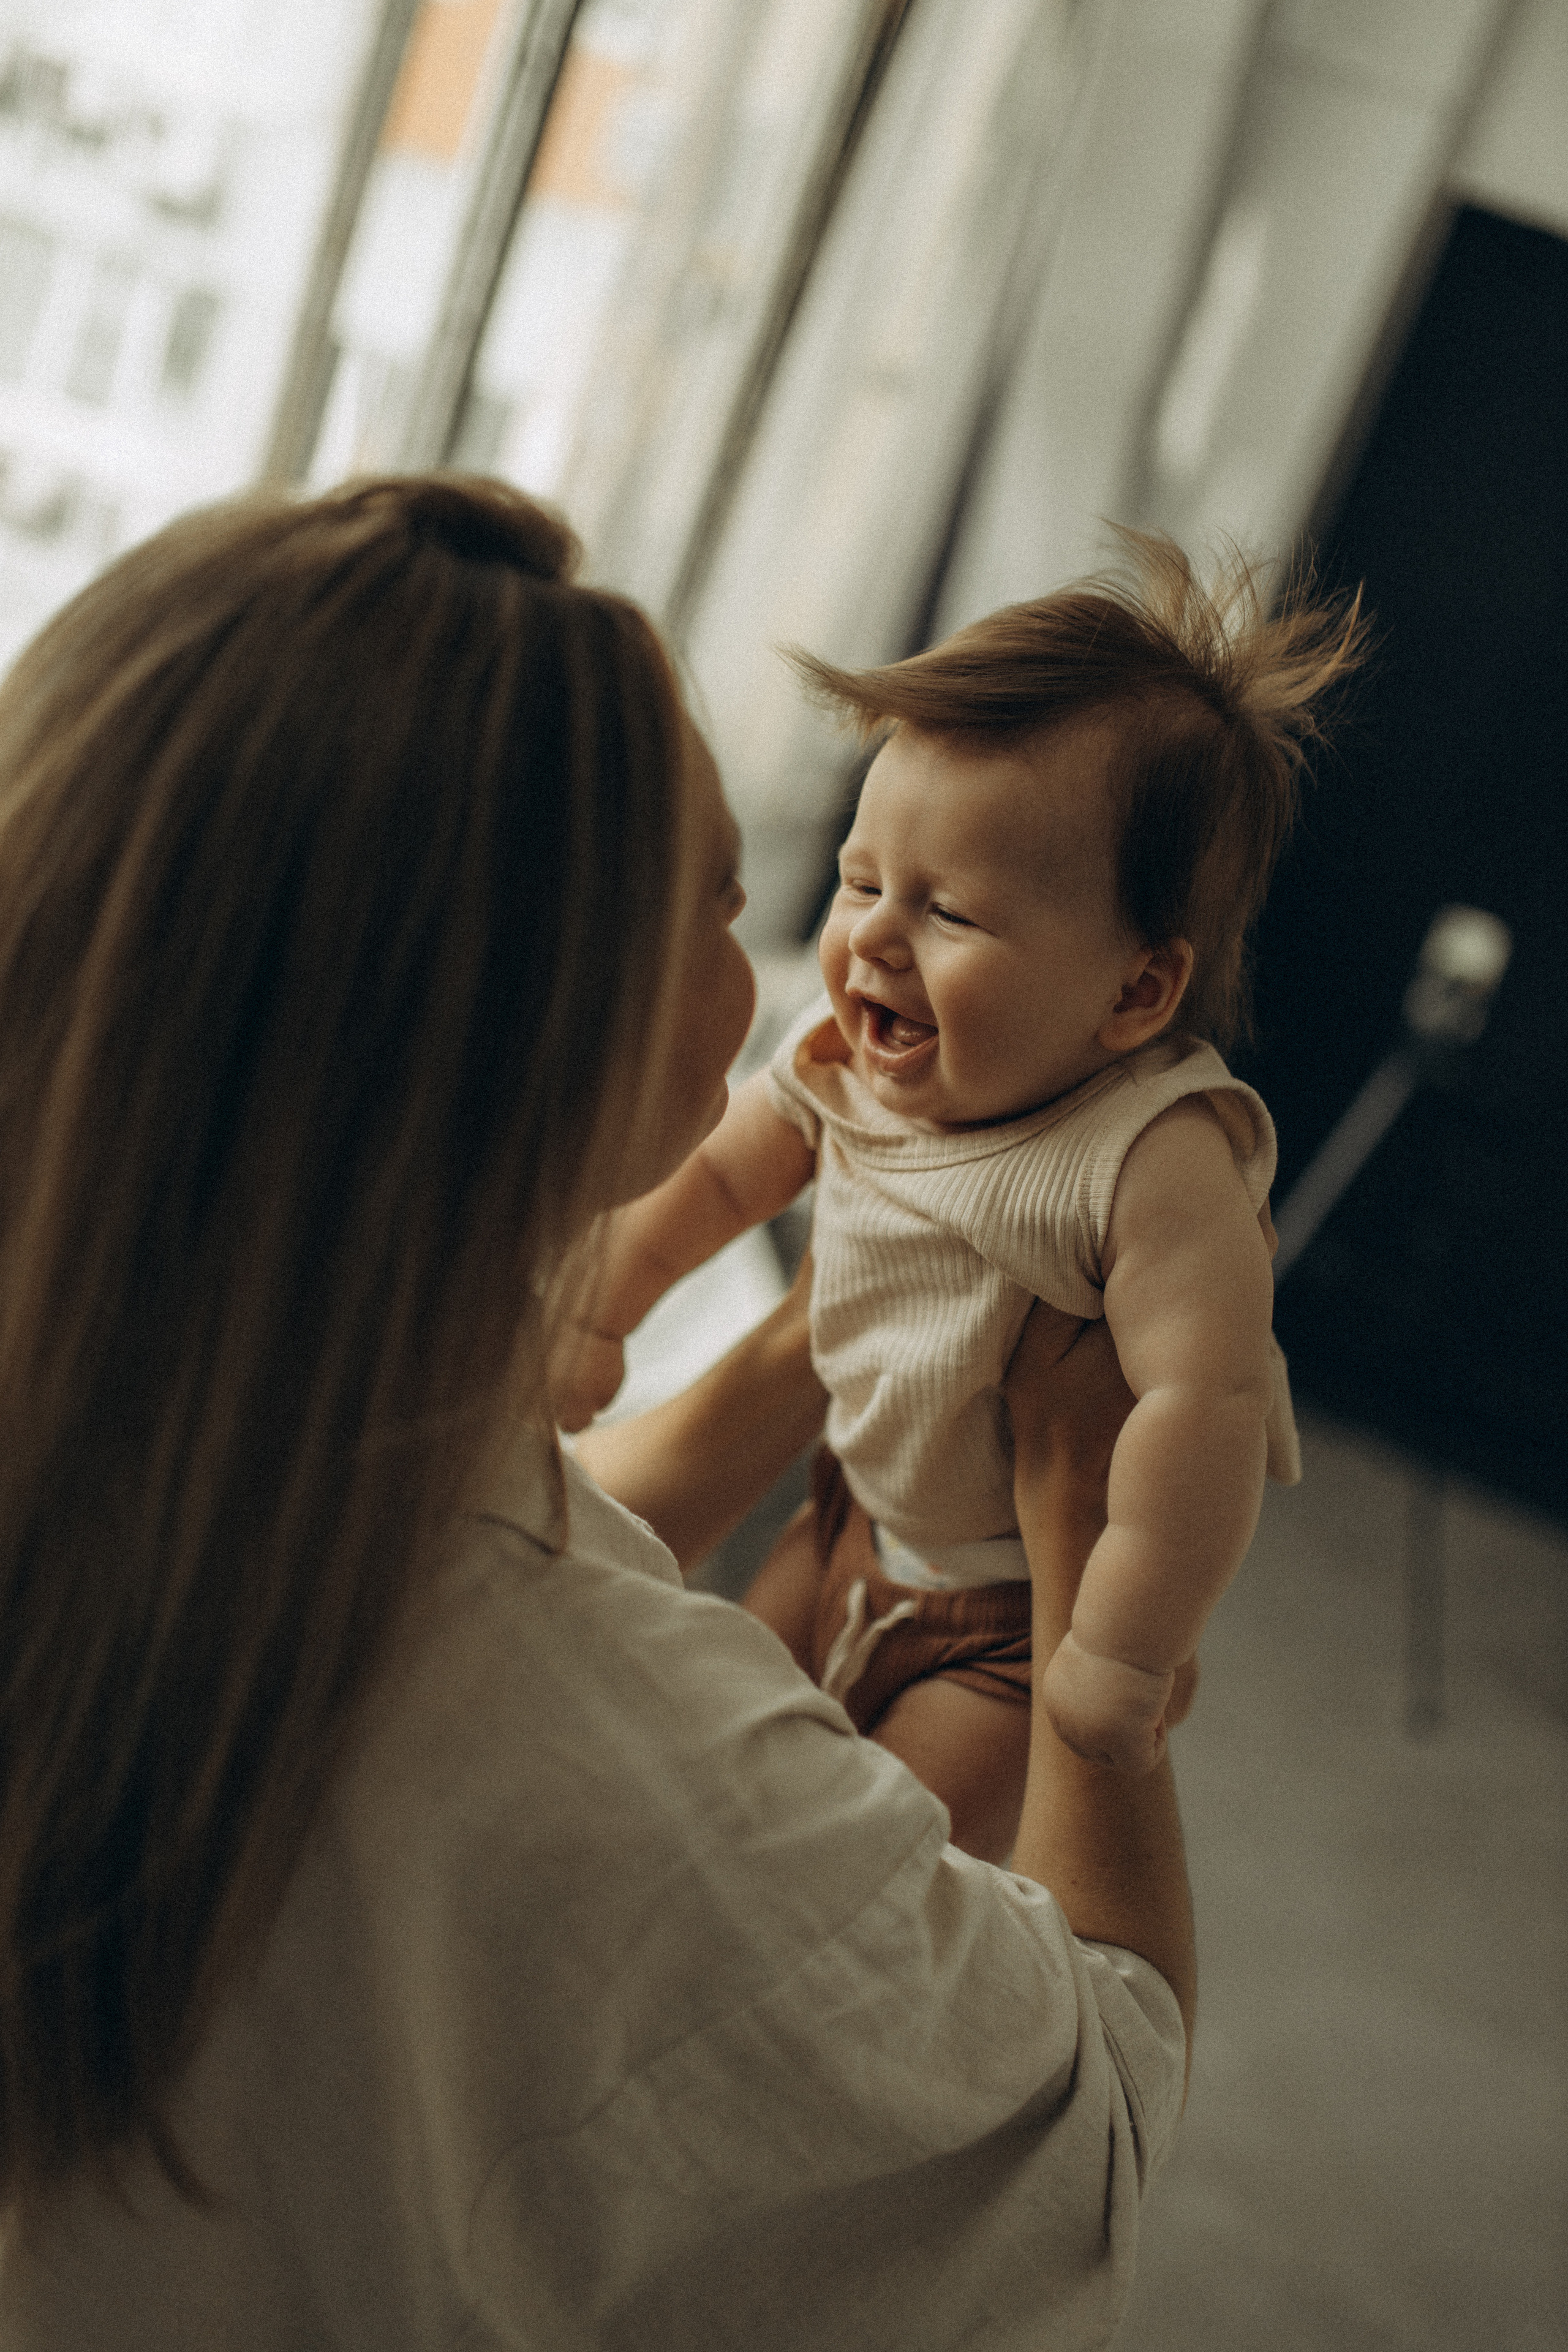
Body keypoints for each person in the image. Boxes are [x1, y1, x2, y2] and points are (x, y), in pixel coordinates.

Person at [0, 473, 1191, 2349]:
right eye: (752, 899)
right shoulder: (628, 1806)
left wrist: (848, 1326)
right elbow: (1088, 2128)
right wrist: (1075, 1559)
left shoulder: (198, 1465)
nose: (831, 959)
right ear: (548, 1046)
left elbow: (504, 1522)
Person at [555, 534, 1366, 1852]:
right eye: (860, 880)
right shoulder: (848, 1057)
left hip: (1004, 1631)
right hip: (849, 1522)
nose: (871, 935)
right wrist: (602, 1312)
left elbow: (1197, 1406)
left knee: (858, 1855)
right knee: (704, 1760)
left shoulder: (1154, 1158)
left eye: (950, 913)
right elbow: (717, 1177)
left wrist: (1122, 1639)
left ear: (1133, 992)